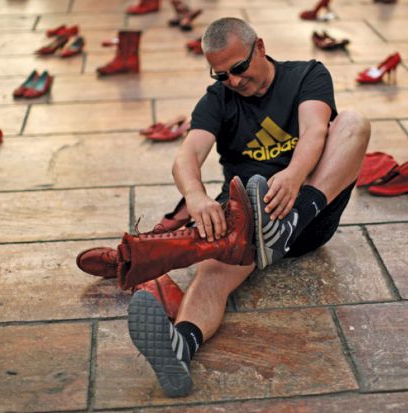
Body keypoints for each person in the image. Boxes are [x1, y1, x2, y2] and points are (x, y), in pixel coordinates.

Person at [76, 17, 370, 397]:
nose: (232, 80)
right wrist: (197, 198)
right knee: (211, 274)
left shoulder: (306, 75)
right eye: (221, 75)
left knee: (352, 122)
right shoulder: (218, 99)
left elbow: (315, 131)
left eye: (239, 68)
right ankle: (182, 344)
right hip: (249, 218)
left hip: (310, 207)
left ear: (259, 47)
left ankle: (288, 225)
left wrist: (294, 177)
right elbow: (188, 154)